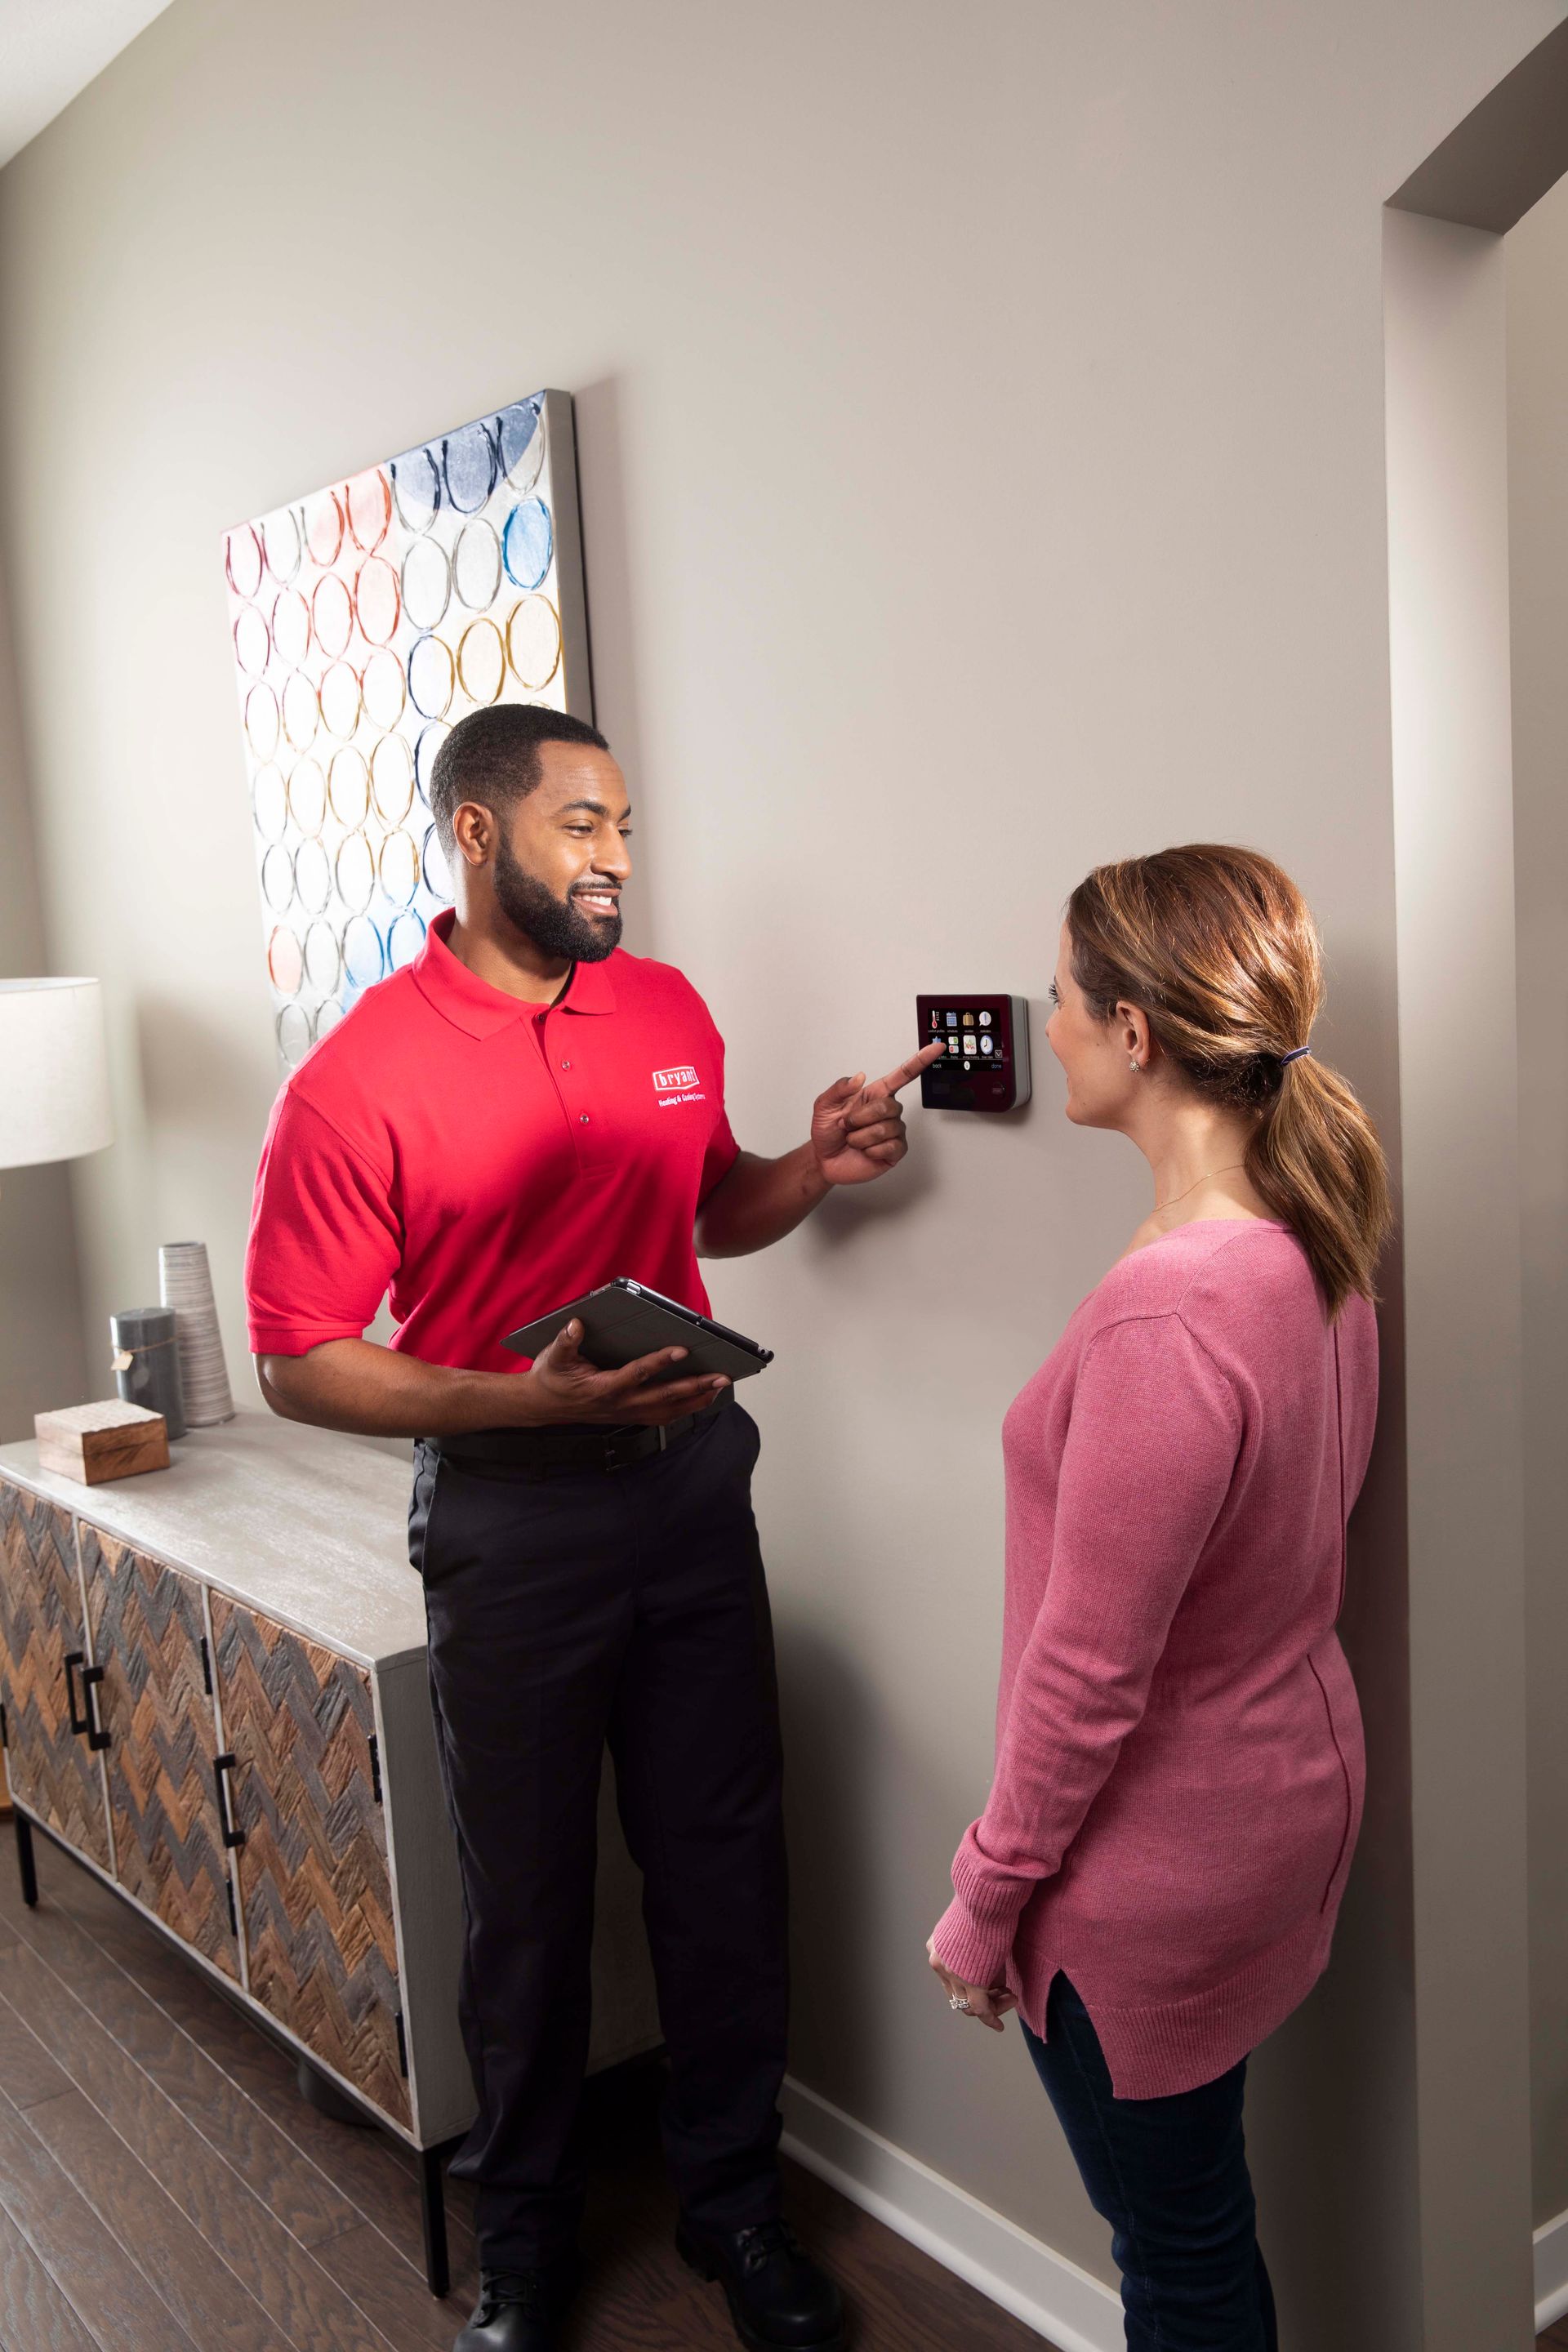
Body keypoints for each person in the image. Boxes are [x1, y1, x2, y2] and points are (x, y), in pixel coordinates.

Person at [246, 702, 943, 2352]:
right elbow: (298, 1361)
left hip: (695, 1497)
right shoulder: (360, 1079)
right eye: (581, 823)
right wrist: (529, 1409)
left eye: (625, 821)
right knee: (532, 1904)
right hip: (512, 1523)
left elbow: (710, 1209)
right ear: (478, 833)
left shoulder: (666, 1007)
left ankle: (735, 2213)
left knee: (722, 1870)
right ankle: (528, 2244)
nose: (619, 853)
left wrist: (811, 1168)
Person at [926, 844, 1390, 2352]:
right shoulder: (1313, 1243)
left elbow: (1086, 1671)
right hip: (1282, 1808)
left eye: (1063, 996)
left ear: (1137, 1033)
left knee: (1176, 2261)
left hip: (1148, 1876)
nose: (1046, 1019)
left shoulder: (1170, 1313)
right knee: (1202, 2233)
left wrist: (987, 1901)